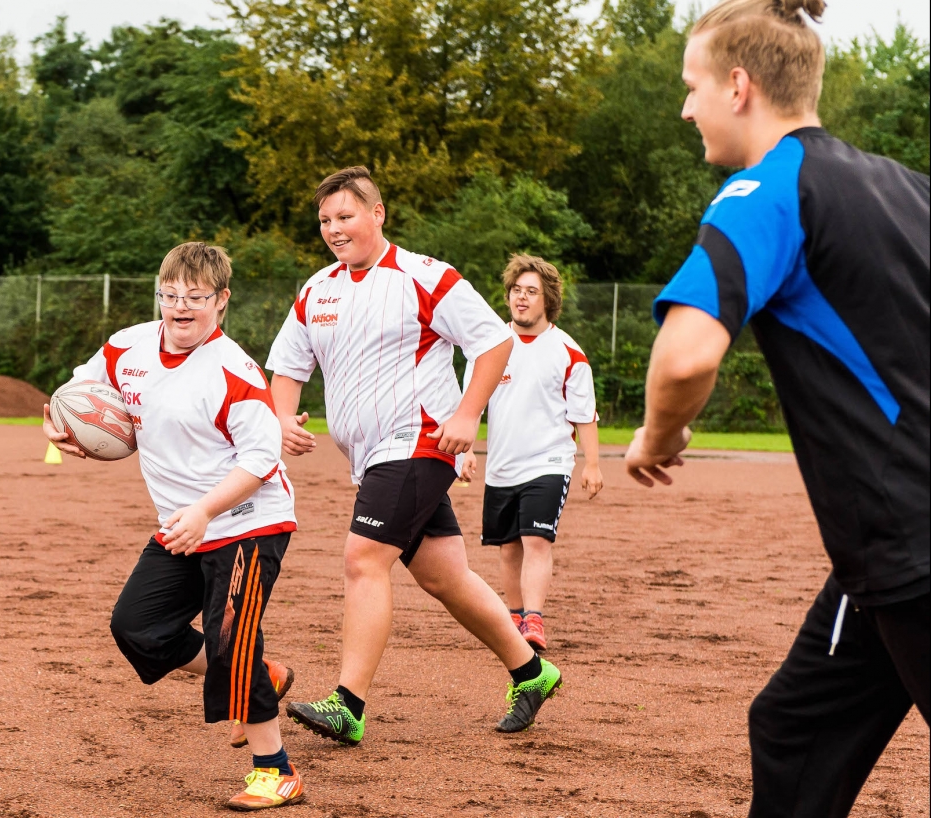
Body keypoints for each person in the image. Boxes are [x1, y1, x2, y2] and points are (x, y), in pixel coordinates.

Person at [623, 1, 928, 815]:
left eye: (691, 87)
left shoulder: (764, 189)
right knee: (797, 728)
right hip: (880, 559)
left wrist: (660, 434)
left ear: (738, 84)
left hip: (914, 547)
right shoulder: (907, 187)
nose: (685, 108)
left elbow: (686, 354)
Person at [267, 166, 562, 740]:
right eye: (325, 220)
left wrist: (466, 415)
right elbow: (287, 368)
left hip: (419, 440)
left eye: (345, 216)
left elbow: (494, 342)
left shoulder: (425, 276)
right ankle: (532, 671)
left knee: (363, 557)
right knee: (445, 576)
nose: (333, 228)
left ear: (377, 215)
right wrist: (281, 418)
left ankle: (348, 705)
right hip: (371, 456)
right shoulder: (316, 290)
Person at [42, 242, 305, 811]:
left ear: (222, 301)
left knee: (231, 636)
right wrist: (60, 426)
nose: (181, 307)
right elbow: (79, 393)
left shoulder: (235, 370)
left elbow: (261, 461)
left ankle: (275, 770)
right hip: (183, 523)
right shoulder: (127, 347)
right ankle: (262, 674)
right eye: (170, 295)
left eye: (196, 297)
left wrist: (207, 511)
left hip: (247, 521)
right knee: (137, 626)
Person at [459, 255, 603, 653]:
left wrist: (591, 464)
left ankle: (534, 619)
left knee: (536, 540)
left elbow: (584, 414)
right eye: (516, 291)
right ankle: (515, 616)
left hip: (549, 462)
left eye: (531, 292)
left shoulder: (568, 352)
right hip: (502, 466)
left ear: (548, 300)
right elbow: (471, 405)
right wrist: (466, 450)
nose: (521, 298)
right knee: (509, 547)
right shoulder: (488, 348)